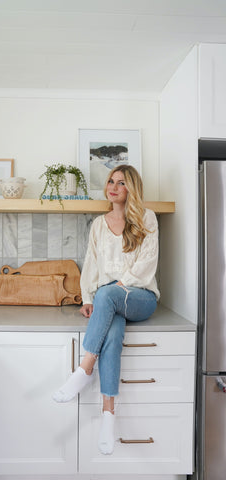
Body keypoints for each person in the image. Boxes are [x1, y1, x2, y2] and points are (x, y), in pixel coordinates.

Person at [53, 165, 160, 455]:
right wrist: (89, 298)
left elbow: (147, 263)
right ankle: (108, 416)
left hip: (141, 297)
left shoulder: (146, 218)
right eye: (111, 181)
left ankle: (84, 368)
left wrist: (113, 289)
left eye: (121, 183)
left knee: (109, 293)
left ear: (131, 189)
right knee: (111, 335)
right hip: (108, 299)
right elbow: (91, 262)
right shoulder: (99, 224)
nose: (113, 187)